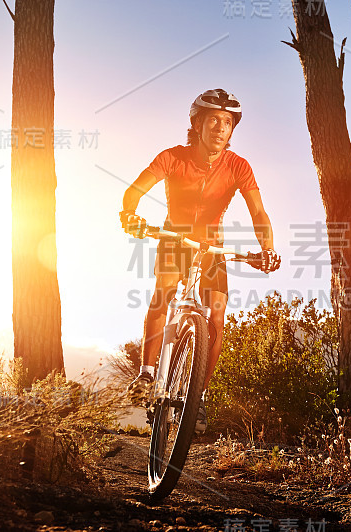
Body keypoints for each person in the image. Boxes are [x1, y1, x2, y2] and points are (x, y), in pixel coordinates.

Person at [119, 89, 280, 434]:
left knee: (217, 314)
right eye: (213, 121)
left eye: (227, 122)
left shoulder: (239, 166)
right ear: (197, 123)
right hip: (174, 238)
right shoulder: (172, 157)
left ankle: (199, 396)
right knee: (163, 295)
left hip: (211, 248)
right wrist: (130, 213)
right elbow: (133, 191)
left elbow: (259, 213)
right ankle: (147, 374)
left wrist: (266, 248)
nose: (221, 128)